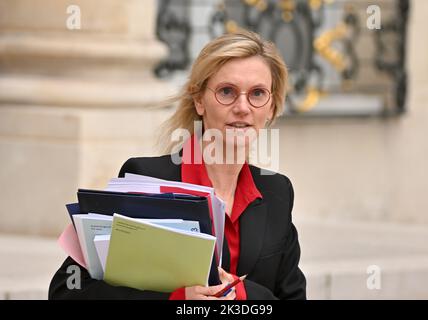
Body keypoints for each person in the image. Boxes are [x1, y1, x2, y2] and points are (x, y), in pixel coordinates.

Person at [49, 30, 307, 300]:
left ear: (271, 107)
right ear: (199, 100)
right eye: (227, 91)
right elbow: (68, 291)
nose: (243, 107)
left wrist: (242, 294)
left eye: (257, 93)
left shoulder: (277, 191)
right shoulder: (145, 179)